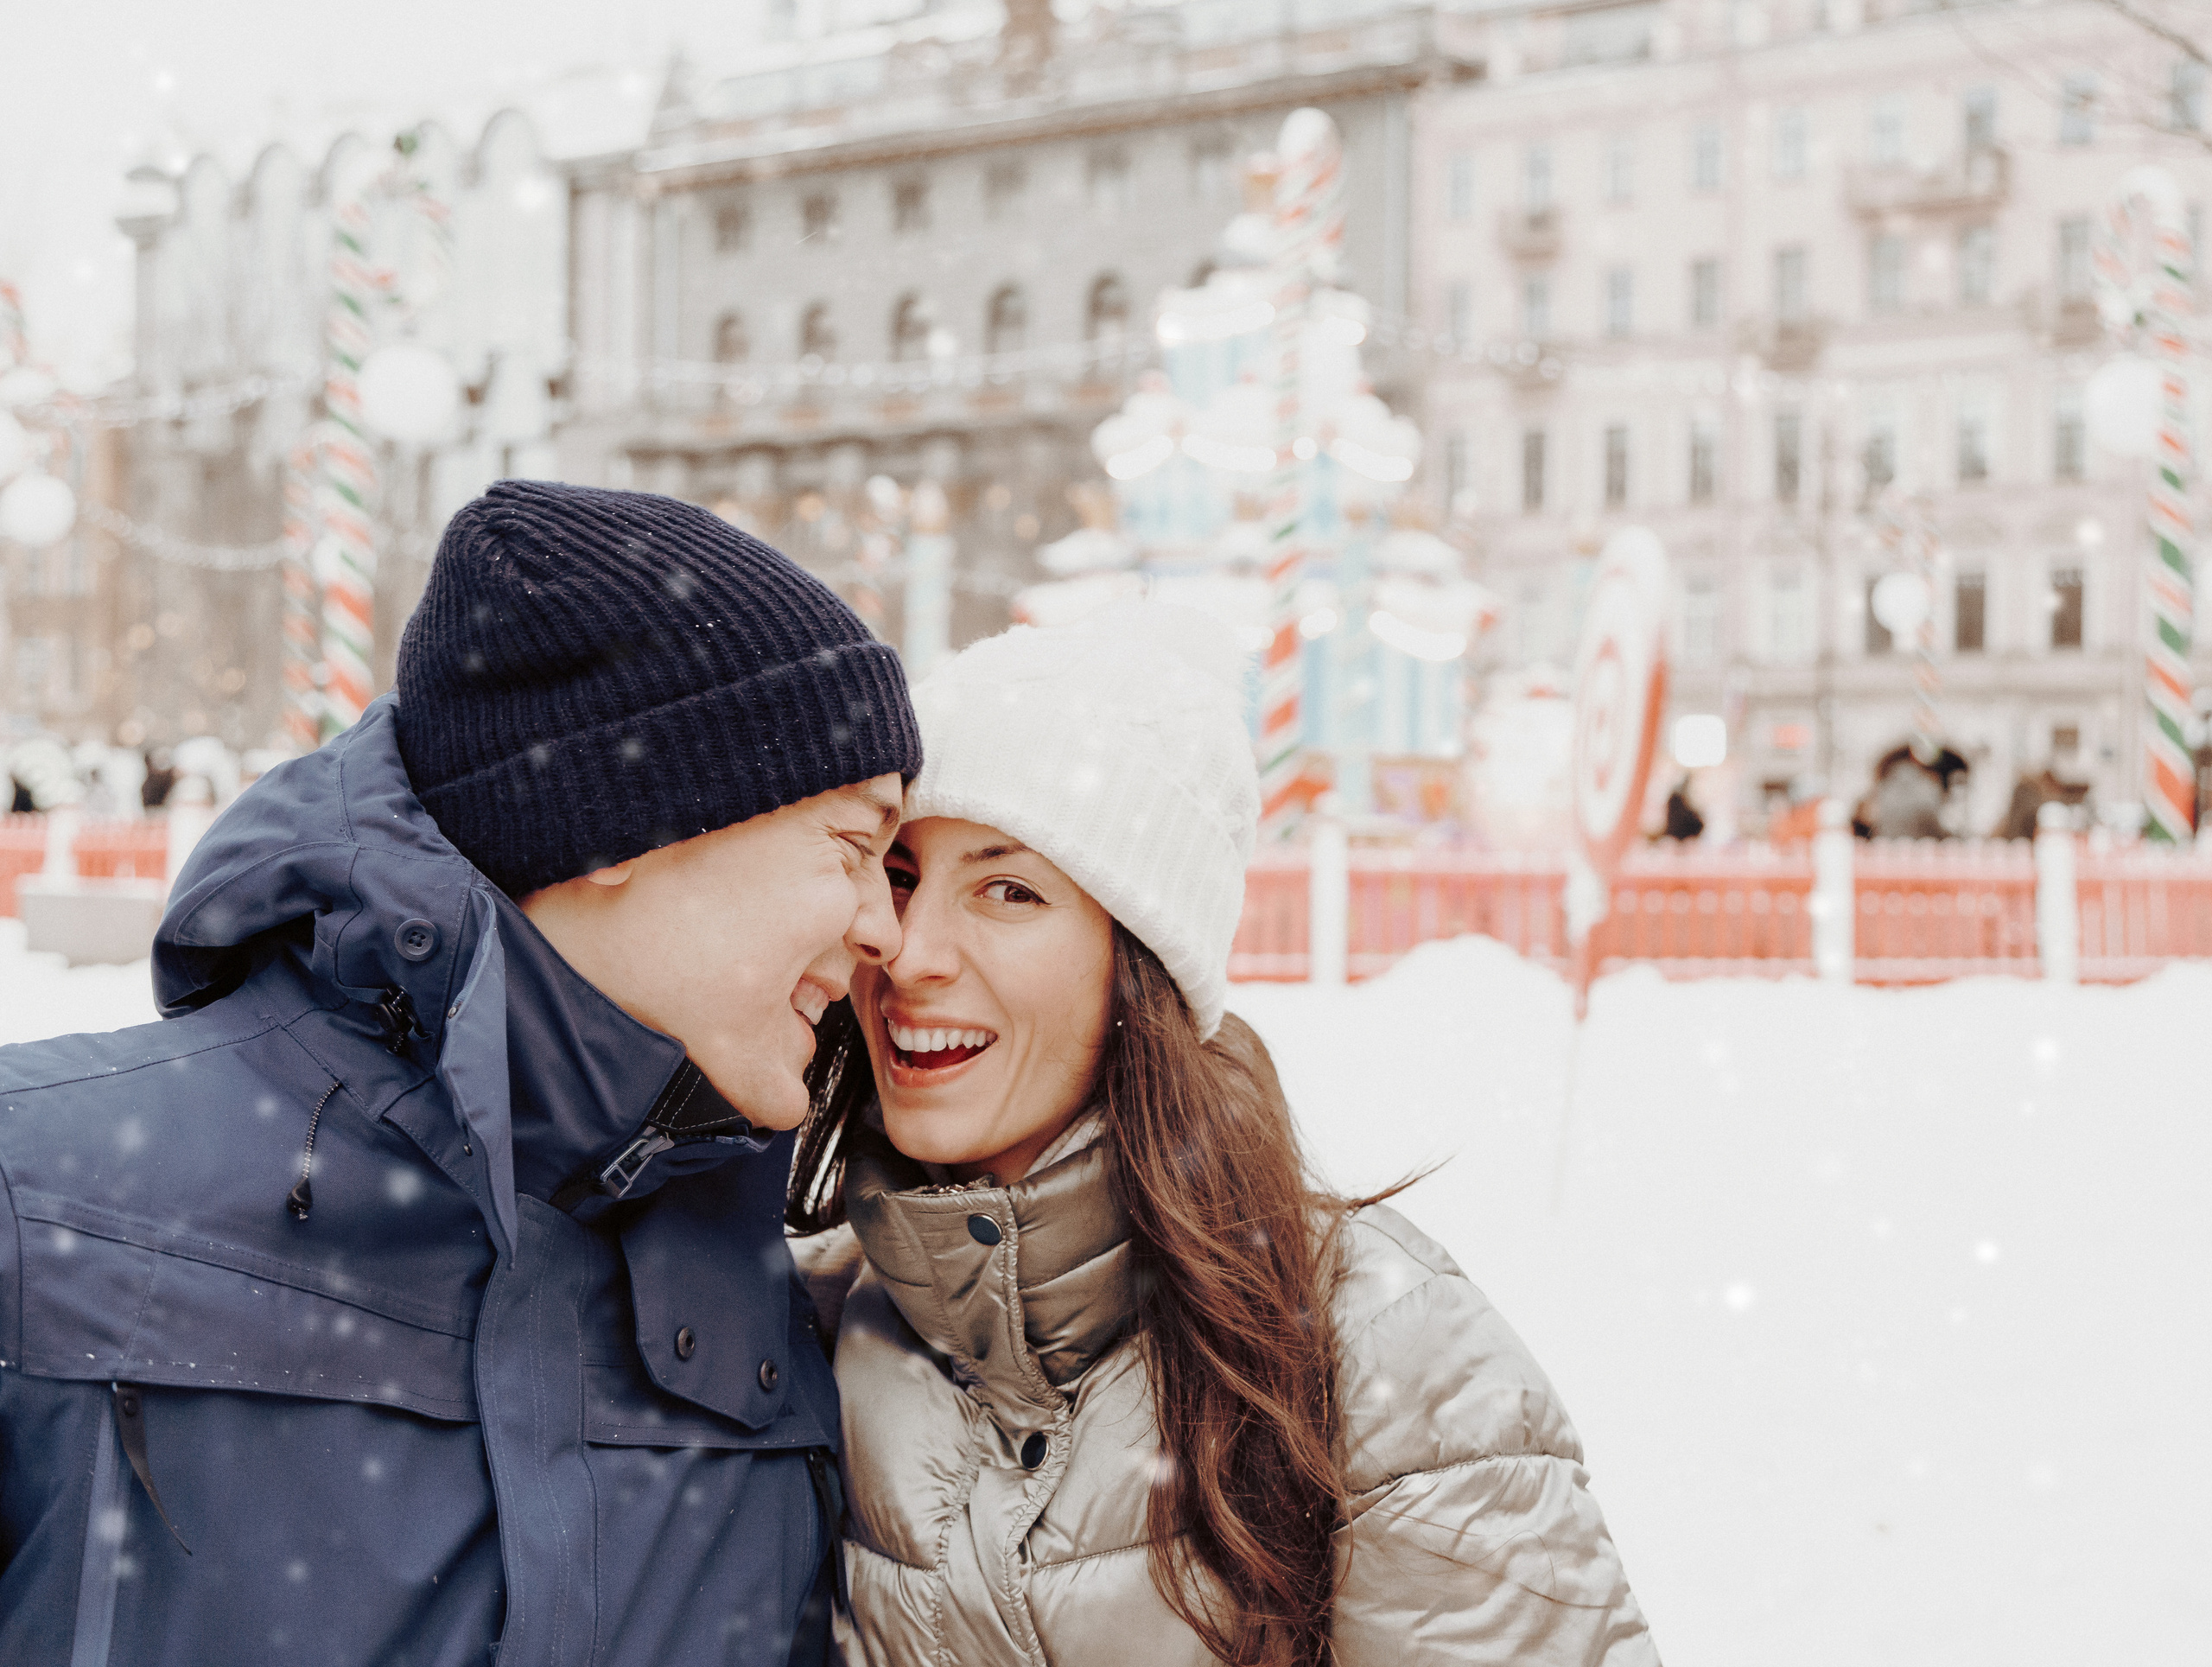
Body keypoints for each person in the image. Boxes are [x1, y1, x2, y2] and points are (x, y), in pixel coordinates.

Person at [0, 481, 920, 1665]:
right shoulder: (39, 1199)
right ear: (625, 827)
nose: (885, 930)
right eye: (852, 849)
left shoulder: (772, 1309)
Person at [789, 604, 1656, 1666]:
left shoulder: (1383, 1354)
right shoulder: (804, 1331)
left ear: (1141, 961)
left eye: (1006, 888)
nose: (910, 952)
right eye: (901, 877)